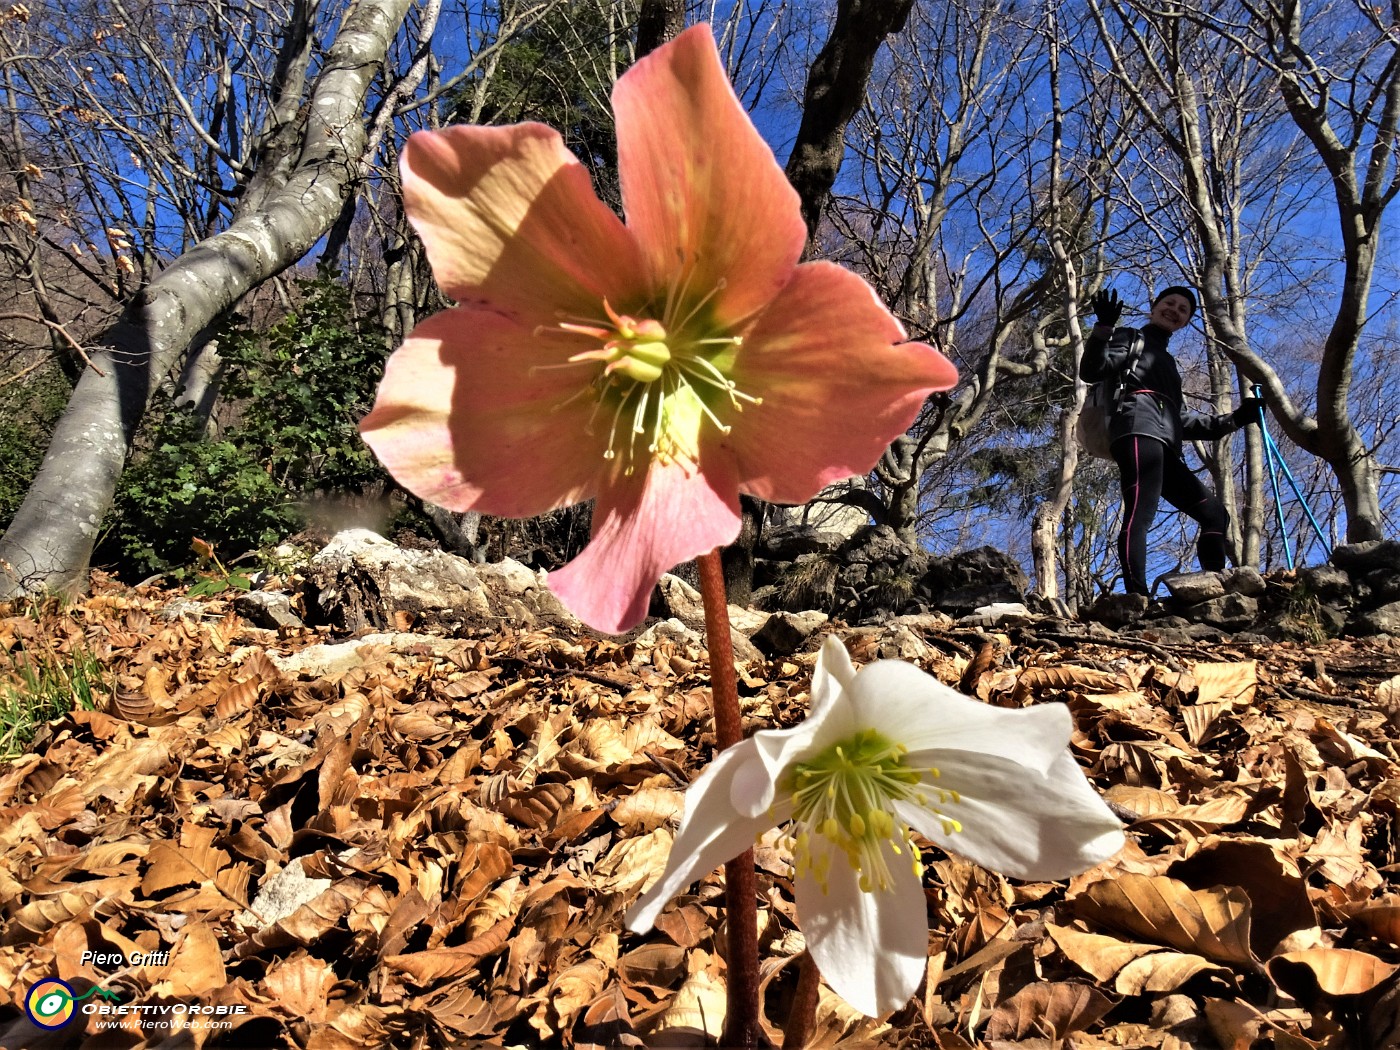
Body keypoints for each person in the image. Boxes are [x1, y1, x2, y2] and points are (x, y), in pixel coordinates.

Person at [1080, 286, 1262, 597]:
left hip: (1165, 444)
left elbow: (1183, 420)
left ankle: (1215, 588)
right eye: (1169, 303)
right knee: (1140, 511)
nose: (1174, 310)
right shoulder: (1130, 337)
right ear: (1153, 307)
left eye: (1183, 310)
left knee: (1215, 514)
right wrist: (1104, 328)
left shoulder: (1168, 364)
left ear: (1185, 321)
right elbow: (1092, 369)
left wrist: (1236, 419)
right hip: (1136, 430)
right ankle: (1137, 597)